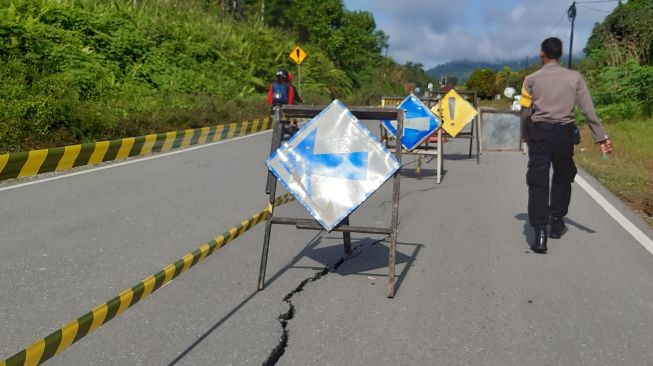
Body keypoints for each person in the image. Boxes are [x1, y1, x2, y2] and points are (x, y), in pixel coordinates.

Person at [520, 37, 613, 254]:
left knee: (538, 181)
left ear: (542, 53)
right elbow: (588, 110)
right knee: (563, 175)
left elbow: (525, 113)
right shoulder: (575, 78)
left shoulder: (530, 80)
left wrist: (526, 137)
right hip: (564, 135)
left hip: (540, 134)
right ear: (560, 54)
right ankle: (557, 220)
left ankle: (540, 233)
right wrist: (601, 138)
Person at [267, 70, 299, 137]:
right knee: (293, 110)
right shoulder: (289, 86)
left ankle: (290, 123)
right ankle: (291, 123)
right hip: (285, 105)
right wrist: (290, 105)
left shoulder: (274, 85)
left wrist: (270, 103)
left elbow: (270, 96)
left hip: (275, 105)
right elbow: (291, 97)